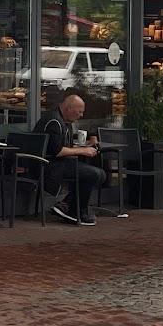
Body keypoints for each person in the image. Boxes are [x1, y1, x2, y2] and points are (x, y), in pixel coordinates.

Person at [35, 91, 108, 226]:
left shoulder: (64, 120)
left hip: (57, 164)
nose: (81, 115)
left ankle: (68, 205)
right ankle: (75, 210)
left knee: (97, 173)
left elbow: (64, 146)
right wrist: (84, 150)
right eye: (79, 112)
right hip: (49, 167)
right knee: (94, 174)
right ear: (69, 109)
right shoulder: (54, 121)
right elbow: (56, 151)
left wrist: (86, 145)